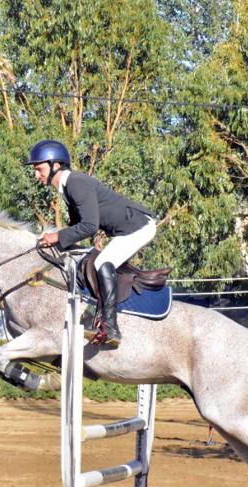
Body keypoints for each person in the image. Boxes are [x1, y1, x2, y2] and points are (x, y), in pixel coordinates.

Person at [26, 139, 156, 346]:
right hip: (126, 229)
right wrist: (56, 242)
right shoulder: (69, 188)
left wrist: (56, 237)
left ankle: (110, 327)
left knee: (102, 262)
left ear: (55, 165)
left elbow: (89, 226)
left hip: (138, 226)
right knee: (89, 258)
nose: (36, 175)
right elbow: (78, 226)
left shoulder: (76, 183)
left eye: (39, 169)